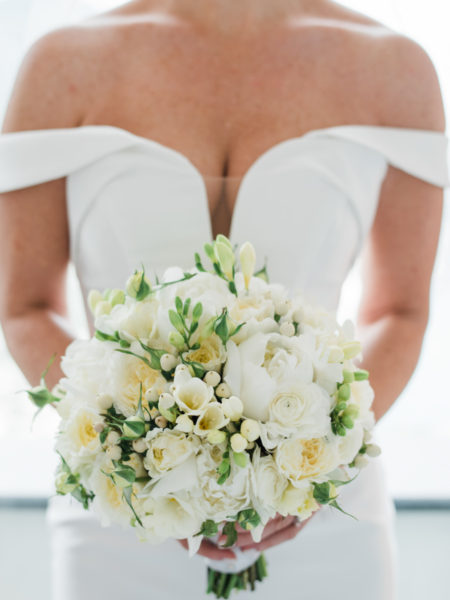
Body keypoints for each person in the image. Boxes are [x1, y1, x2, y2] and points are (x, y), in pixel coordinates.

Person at [0, 1, 448, 598]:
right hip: (120, 523)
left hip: (326, 514)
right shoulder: (61, 66)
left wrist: (319, 461)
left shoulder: (394, 69)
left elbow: (400, 311)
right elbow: (25, 304)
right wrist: (127, 447)